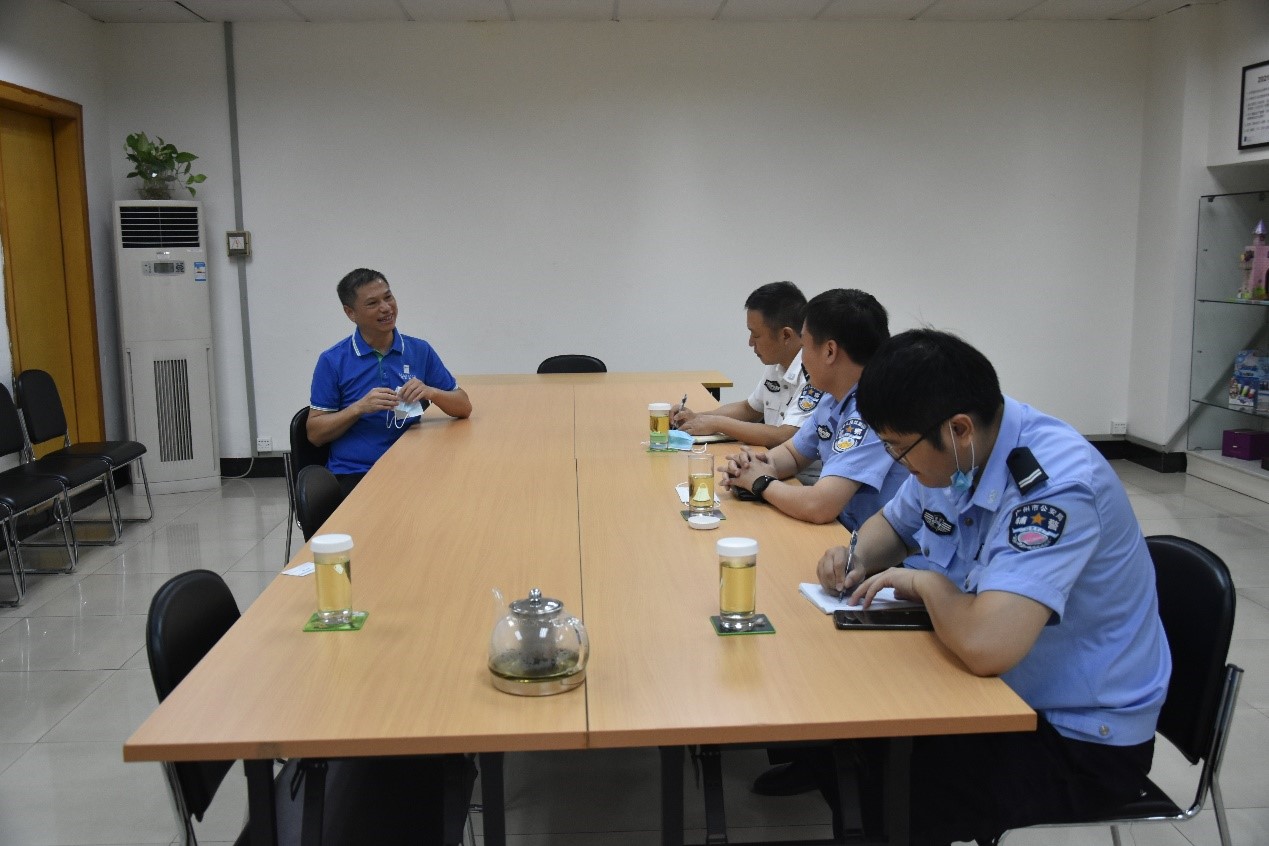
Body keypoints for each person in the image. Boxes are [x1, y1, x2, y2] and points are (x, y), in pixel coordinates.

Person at [817, 328, 1170, 845]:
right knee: (850, 749)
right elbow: (893, 525)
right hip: (1001, 694)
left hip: (1078, 736)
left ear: (958, 429)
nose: (897, 462)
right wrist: (855, 557)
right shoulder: (958, 455)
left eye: (899, 448)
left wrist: (926, 584)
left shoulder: (1054, 488)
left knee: (892, 792)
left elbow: (988, 647)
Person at [719, 288, 908, 531]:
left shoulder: (872, 411)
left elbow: (820, 506)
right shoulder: (832, 398)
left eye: (805, 347)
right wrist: (749, 465)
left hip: (869, 544)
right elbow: (793, 454)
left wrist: (761, 482)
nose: (802, 358)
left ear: (829, 351)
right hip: (843, 533)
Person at [308, 268, 471, 494]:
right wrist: (358, 408)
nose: (386, 308)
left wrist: (431, 392)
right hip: (357, 472)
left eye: (388, 297)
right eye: (372, 303)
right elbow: (315, 434)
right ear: (350, 313)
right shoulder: (333, 360)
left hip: (415, 465)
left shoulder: (419, 350)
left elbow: (464, 406)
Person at [672, 281, 815, 449]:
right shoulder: (777, 363)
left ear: (786, 335)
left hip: (797, 466)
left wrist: (717, 423)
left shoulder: (815, 373)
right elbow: (749, 409)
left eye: (756, 335)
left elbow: (784, 436)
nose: (750, 342)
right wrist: (696, 418)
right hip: (771, 458)